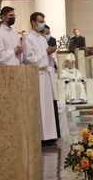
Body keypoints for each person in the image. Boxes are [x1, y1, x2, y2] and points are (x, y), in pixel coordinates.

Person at [22, 11, 59, 146]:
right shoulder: (28, 39)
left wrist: (50, 56)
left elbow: (47, 59)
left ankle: (49, 135)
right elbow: (29, 59)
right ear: (33, 22)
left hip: (46, 75)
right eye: (40, 21)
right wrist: (46, 53)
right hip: (36, 76)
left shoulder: (42, 38)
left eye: (43, 21)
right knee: (40, 106)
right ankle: (41, 136)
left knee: (47, 106)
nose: (42, 24)